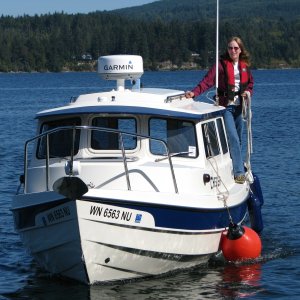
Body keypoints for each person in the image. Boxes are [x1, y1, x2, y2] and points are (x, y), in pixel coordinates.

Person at [185, 36, 254, 184]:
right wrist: (194, 93)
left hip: (239, 107)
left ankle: (232, 164)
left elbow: (250, 84)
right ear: (227, 49)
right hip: (226, 107)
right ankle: (239, 173)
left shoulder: (244, 66)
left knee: (239, 139)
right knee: (233, 138)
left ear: (240, 49)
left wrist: (247, 93)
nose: (233, 50)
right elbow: (208, 81)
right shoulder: (221, 65)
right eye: (230, 48)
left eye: (235, 48)